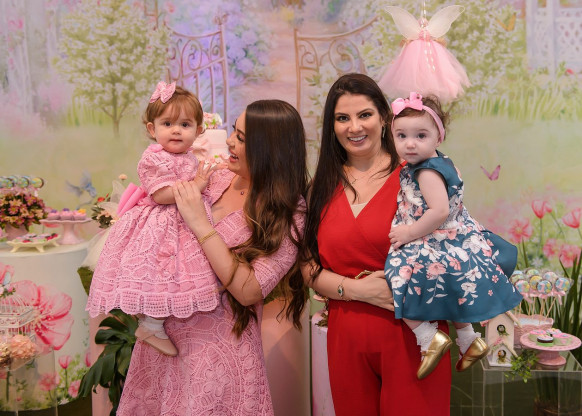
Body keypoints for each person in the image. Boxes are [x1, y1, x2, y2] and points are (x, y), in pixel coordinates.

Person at [115, 99, 308, 415]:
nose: (229, 141)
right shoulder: (215, 177)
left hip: (218, 355)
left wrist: (200, 224)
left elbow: (249, 290)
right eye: (234, 130)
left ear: (269, 149)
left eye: (241, 138)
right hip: (161, 339)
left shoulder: (289, 211)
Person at [301, 73, 451, 416]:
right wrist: (356, 290)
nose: (354, 127)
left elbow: (455, 246)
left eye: (364, 114)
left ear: (384, 117)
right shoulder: (320, 186)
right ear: (332, 126)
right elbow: (307, 267)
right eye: (343, 118)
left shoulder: (419, 175)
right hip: (346, 336)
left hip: (414, 335)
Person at [384, 92, 522, 379]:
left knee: (397, 276)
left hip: (435, 237)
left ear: (439, 137)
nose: (410, 143)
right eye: (401, 135)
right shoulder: (441, 161)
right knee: (456, 290)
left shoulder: (426, 172)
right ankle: (469, 339)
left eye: (421, 135)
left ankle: (427, 336)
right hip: (458, 237)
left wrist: (408, 232)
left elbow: (438, 211)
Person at [86, 81, 223, 357]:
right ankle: (151, 325)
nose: (176, 130)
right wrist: (197, 184)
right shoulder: (153, 158)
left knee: (183, 273)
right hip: (161, 224)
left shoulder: (189, 157)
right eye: (167, 123)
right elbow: (161, 195)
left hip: (186, 221)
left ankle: (169, 319)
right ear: (152, 129)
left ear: (198, 131)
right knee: (159, 271)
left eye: (185, 125)